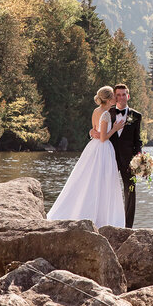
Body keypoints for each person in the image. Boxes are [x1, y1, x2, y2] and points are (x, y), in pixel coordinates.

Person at [46, 86, 125, 228]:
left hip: (92, 147)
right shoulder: (106, 114)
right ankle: (101, 218)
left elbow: (94, 130)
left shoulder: (96, 111)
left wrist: (92, 132)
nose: (115, 98)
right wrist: (115, 128)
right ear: (108, 99)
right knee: (102, 181)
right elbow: (103, 138)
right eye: (113, 96)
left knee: (88, 179)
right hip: (102, 149)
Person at [91, 83, 142, 228]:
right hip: (109, 157)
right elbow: (97, 130)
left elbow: (137, 140)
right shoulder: (107, 112)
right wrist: (90, 133)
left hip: (129, 160)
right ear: (114, 96)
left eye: (123, 94)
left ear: (128, 96)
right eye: (118, 95)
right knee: (106, 189)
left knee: (130, 191)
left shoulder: (136, 116)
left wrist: (139, 158)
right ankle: (106, 223)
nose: (121, 97)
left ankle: (128, 227)